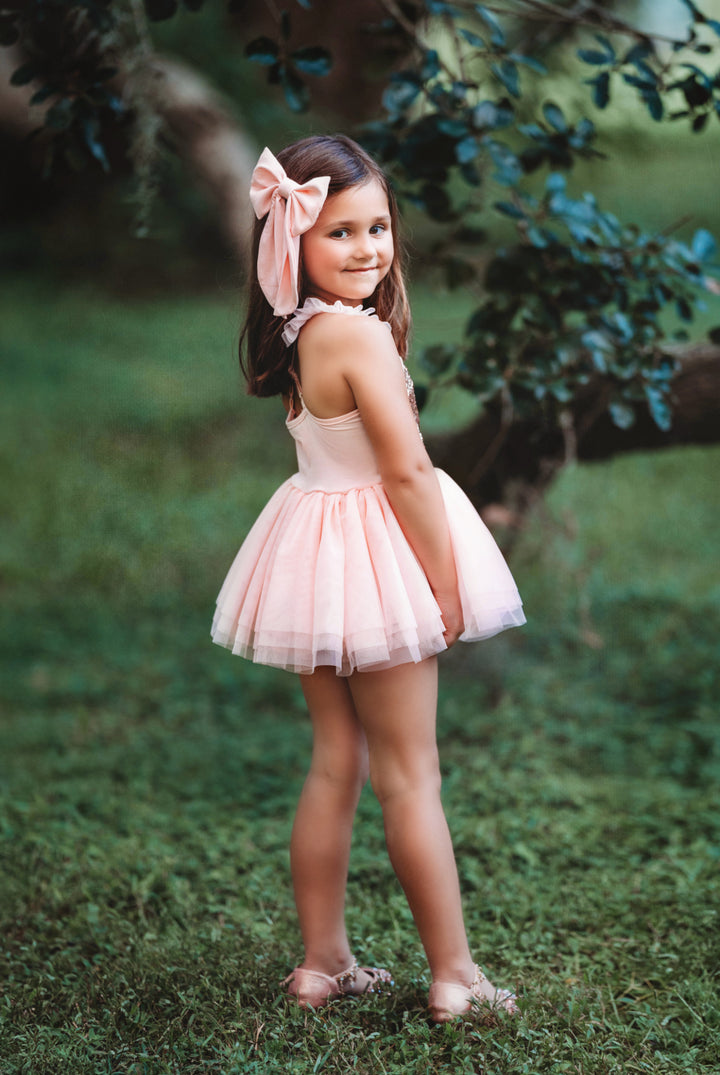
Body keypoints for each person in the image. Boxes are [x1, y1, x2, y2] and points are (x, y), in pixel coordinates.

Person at [211, 135, 525, 1022]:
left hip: (313, 553)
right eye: (340, 232)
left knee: (335, 761)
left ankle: (323, 961)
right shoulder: (358, 337)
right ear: (293, 242)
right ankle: (456, 975)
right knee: (410, 773)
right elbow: (409, 473)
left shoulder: (298, 331)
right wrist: (446, 584)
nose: (367, 248)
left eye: (378, 226)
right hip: (377, 558)